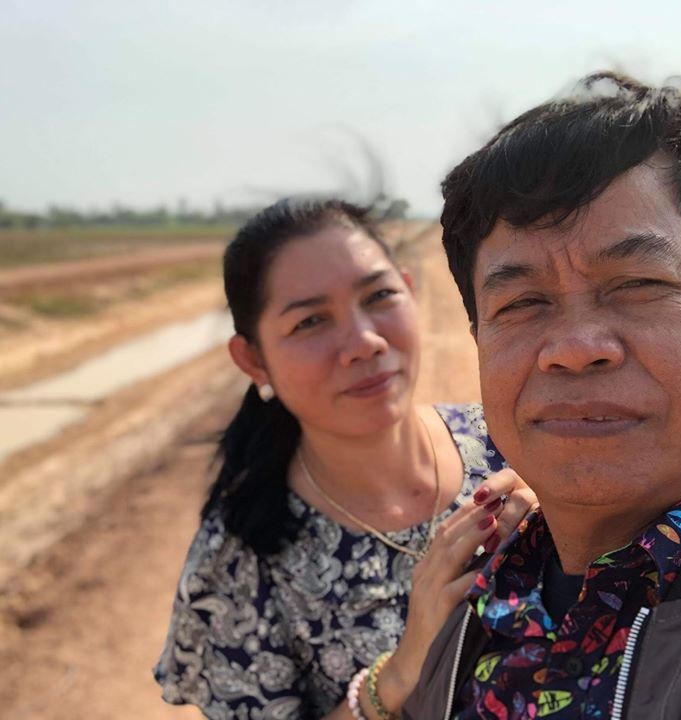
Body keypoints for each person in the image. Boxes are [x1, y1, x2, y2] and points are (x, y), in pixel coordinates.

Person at [402, 71, 681, 720]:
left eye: (638, 283)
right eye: (522, 303)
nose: (574, 347)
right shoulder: (470, 591)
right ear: (478, 338)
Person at [153, 198, 537, 719]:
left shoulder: (512, 447)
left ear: (410, 291)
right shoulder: (239, 560)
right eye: (311, 321)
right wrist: (399, 673)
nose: (364, 342)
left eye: (379, 296)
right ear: (253, 359)